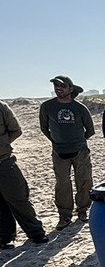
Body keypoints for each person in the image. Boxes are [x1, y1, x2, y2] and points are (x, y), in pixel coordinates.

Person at [39, 75, 95, 229]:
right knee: (62, 184)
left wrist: (78, 141)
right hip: (59, 152)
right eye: (56, 85)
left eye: (62, 86)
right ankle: (64, 215)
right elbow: (44, 128)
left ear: (70, 89)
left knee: (84, 180)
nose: (58, 88)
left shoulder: (80, 108)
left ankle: (83, 210)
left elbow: (90, 130)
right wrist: (57, 141)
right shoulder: (47, 106)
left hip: (80, 151)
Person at [0, 101, 48, 249]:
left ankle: (36, 233)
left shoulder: (1, 107)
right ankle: (5, 238)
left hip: (4, 162)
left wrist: (2, 144)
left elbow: (16, 130)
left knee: (19, 198)